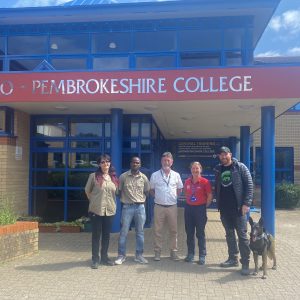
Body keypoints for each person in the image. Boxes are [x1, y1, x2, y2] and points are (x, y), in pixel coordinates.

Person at [214, 146, 253, 276]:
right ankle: (233, 259)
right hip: (224, 209)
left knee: (242, 237)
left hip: (238, 209)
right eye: (221, 154)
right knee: (229, 235)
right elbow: (218, 187)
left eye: (225, 154)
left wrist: (246, 203)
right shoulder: (218, 169)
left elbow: (249, 185)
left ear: (230, 154)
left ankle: (245, 263)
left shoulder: (240, 167)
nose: (223, 156)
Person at [85, 154, 118, 269]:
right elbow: (87, 191)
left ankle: (104, 257)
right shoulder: (93, 176)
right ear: (99, 164)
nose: (105, 164)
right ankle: (95, 259)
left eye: (107, 161)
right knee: (96, 236)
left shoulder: (113, 177)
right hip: (96, 211)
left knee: (106, 235)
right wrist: (94, 201)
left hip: (109, 210)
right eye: (103, 162)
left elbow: (116, 192)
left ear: (110, 163)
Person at [115, 156, 150, 265]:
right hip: (127, 207)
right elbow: (119, 192)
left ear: (140, 164)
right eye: (133, 162)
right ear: (130, 164)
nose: (135, 164)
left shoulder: (144, 178)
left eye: (137, 163)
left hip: (140, 208)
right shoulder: (123, 177)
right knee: (124, 232)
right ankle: (121, 255)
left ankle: (139, 255)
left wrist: (140, 201)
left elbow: (147, 192)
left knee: (140, 233)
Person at [150, 152, 183, 261]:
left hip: (172, 207)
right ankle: (157, 252)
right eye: (164, 160)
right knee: (157, 230)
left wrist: (173, 198)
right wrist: (159, 197)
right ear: (161, 161)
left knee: (173, 230)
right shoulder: (155, 175)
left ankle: (173, 252)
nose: (166, 162)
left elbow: (179, 189)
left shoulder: (176, 175)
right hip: (159, 206)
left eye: (168, 160)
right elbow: (151, 190)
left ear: (172, 162)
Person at [184, 161, 212, 265]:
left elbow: (209, 196)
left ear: (200, 169)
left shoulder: (205, 182)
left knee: (200, 233)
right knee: (189, 233)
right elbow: (186, 193)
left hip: (200, 209)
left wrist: (204, 206)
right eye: (193, 168)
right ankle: (190, 254)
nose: (195, 170)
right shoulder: (187, 181)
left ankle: (202, 256)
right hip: (189, 209)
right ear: (191, 170)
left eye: (197, 168)